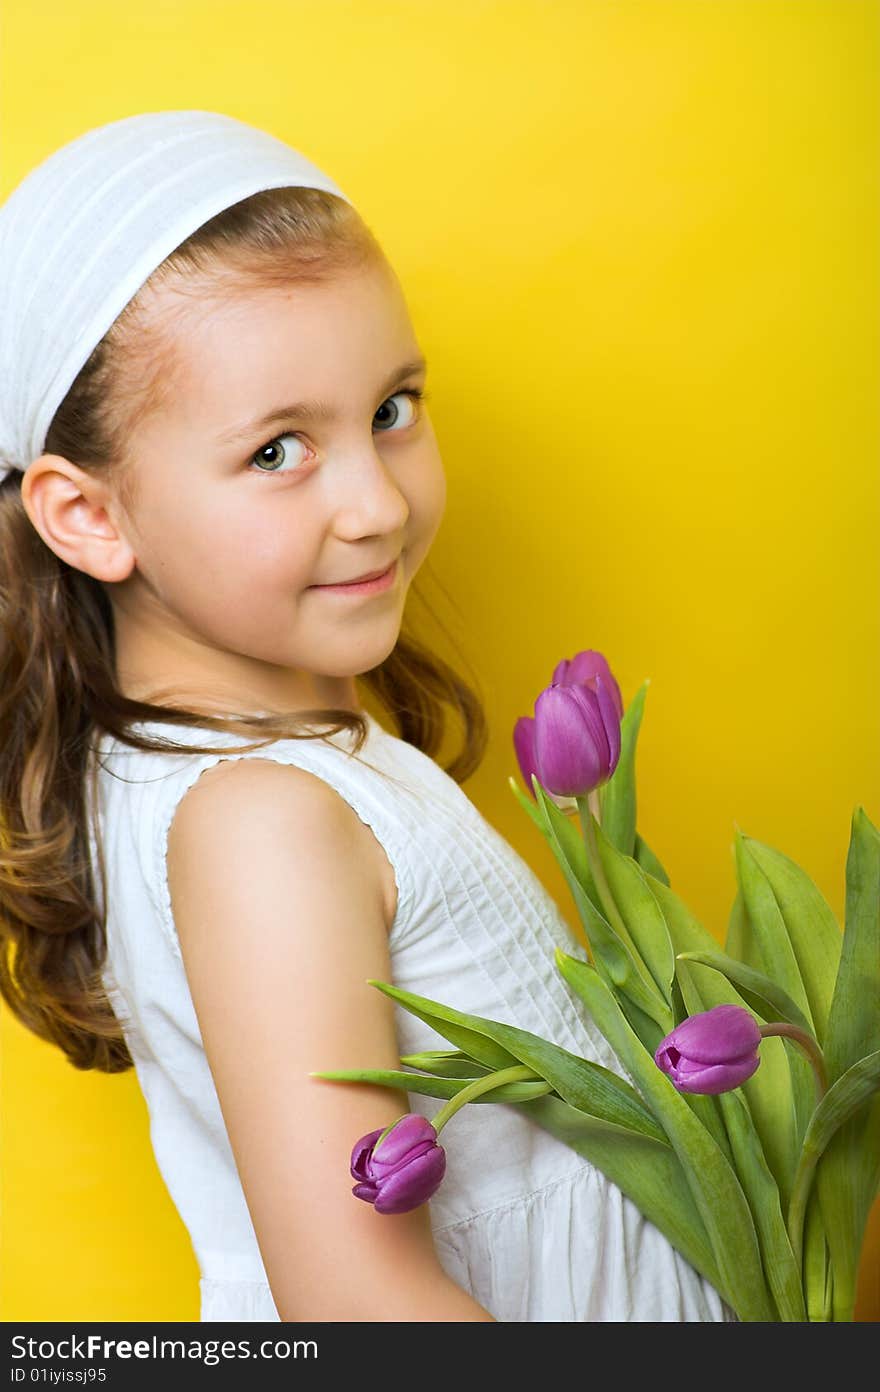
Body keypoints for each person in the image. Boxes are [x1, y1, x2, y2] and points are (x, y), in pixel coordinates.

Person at [0, 110, 735, 1323]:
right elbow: (360, 1307)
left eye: (393, 408)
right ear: (88, 516)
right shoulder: (260, 823)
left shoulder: (258, 769)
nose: (377, 505)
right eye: (279, 449)